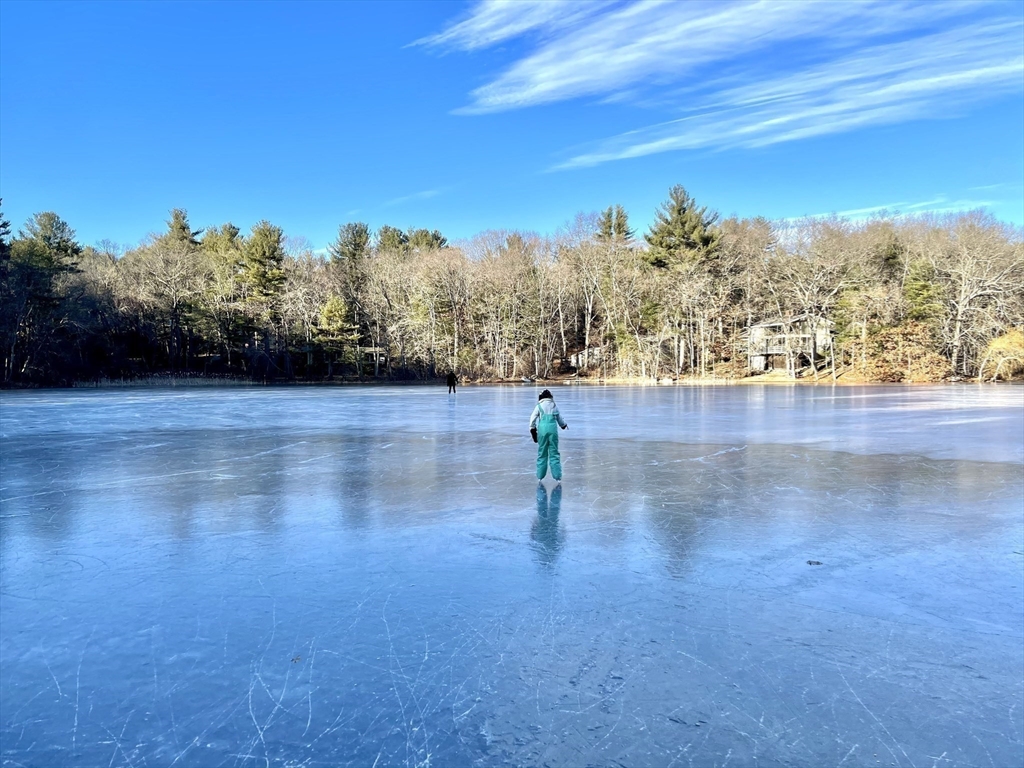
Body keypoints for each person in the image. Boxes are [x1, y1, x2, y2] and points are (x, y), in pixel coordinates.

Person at [529, 389, 567, 481]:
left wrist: (533, 430)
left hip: (542, 431)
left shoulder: (539, 406)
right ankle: (557, 476)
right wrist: (563, 425)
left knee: (542, 453)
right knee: (554, 453)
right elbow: (559, 418)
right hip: (553, 431)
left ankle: (540, 476)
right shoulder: (554, 406)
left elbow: (532, 419)